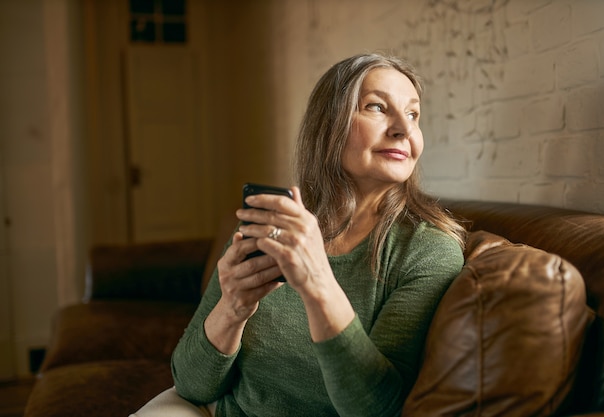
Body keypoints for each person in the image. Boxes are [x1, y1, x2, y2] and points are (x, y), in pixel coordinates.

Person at [131, 52, 466, 417]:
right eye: (376, 107)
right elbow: (191, 385)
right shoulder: (271, 228)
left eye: (414, 113)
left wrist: (317, 283)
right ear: (329, 126)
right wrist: (232, 309)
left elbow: (374, 409)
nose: (404, 127)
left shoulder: (429, 250)